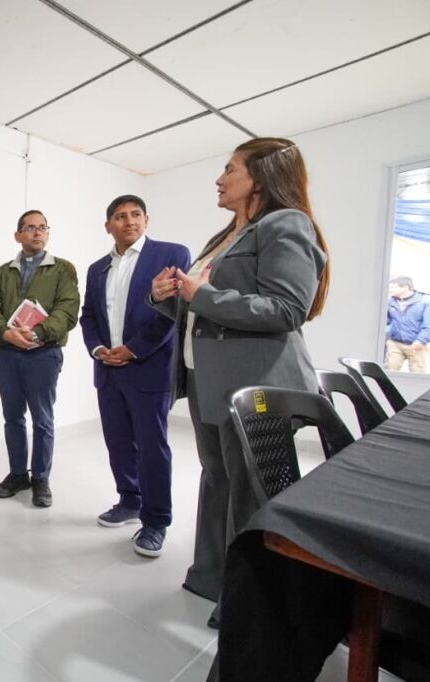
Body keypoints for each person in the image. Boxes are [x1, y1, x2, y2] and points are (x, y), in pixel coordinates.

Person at [149, 137, 330, 626]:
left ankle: (250, 602)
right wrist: (168, 295)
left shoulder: (287, 224)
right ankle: (211, 577)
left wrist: (201, 294)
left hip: (257, 387)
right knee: (218, 480)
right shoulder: (225, 235)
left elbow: (287, 309)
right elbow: (201, 307)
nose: (219, 178)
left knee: (250, 493)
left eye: (230, 168)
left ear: (261, 176)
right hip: (209, 380)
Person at [80, 195, 191, 557]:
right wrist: (98, 349)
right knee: (118, 441)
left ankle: (156, 520)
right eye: (120, 216)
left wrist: (133, 349)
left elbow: (171, 314)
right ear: (108, 225)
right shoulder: (97, 268)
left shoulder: (171, 254)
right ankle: (129, 500)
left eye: (136, 215)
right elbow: (89, 316)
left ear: (146, 219)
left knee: (152, 447)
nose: (129, 221)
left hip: (148, 368)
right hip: (108, 370)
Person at [0, 210, 80, 507]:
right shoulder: (3, 271)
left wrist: (37, 333)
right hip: (8, 354)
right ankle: (17, 474)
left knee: (42, 419)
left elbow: (67, 311)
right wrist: (5, 333)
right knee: (12, 417)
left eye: (42, 228)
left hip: (44, 354)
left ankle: (40, 478)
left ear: (47, 233)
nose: (37, 233)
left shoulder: (63, 269)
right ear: (18, 235)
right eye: (29, 228)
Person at [385, 275, 429, 373]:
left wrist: (421, 341)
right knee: (390, 369)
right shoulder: (390, 302)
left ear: (405, 287)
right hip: (395, 342)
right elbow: (386, 321)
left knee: (417, 373)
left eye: (393, 287)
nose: (390, 290)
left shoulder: (424, 302)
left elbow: (428, 325)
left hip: (416, 344)